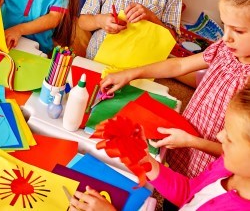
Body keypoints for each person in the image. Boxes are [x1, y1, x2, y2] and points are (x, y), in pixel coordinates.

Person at [100, 0, 250, 179]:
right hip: (184, 143)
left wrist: (192, 141)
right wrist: (130, 73)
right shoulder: (224, 48)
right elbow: (178, 66)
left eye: (238, 31)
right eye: (225, 25)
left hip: (212, 167)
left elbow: (243, 155)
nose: (226, 37)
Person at [69, 84, 250, 210]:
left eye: (231, 138)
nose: (219, 137)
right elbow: (189, 193)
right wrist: (145, 161)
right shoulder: (225, 166)